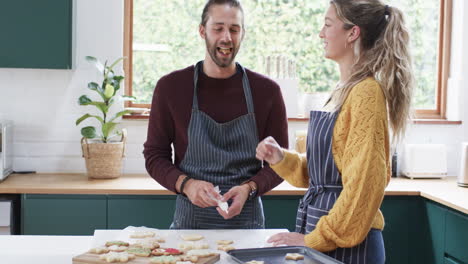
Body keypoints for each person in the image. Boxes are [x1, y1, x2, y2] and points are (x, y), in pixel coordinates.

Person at [256, 1, 413, 263]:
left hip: (351, 247)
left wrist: (313, 239)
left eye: (328, 25)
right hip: (326, 237)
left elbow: (364, 187)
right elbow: (323, 176)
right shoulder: (344, 91)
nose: (321, 33)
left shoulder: (366, 93)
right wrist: (281, 159)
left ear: (353, 33)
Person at [143, 0, 288, 229]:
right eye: (218, 28)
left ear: (242, 33)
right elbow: (154, 156)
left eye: (234, 29)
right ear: (202, 31)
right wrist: (187, 185)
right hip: (189, 226)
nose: (226, 38)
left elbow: (280, 164)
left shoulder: (267, 91)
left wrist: (249, 189)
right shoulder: (171, 88)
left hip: (248, 227)